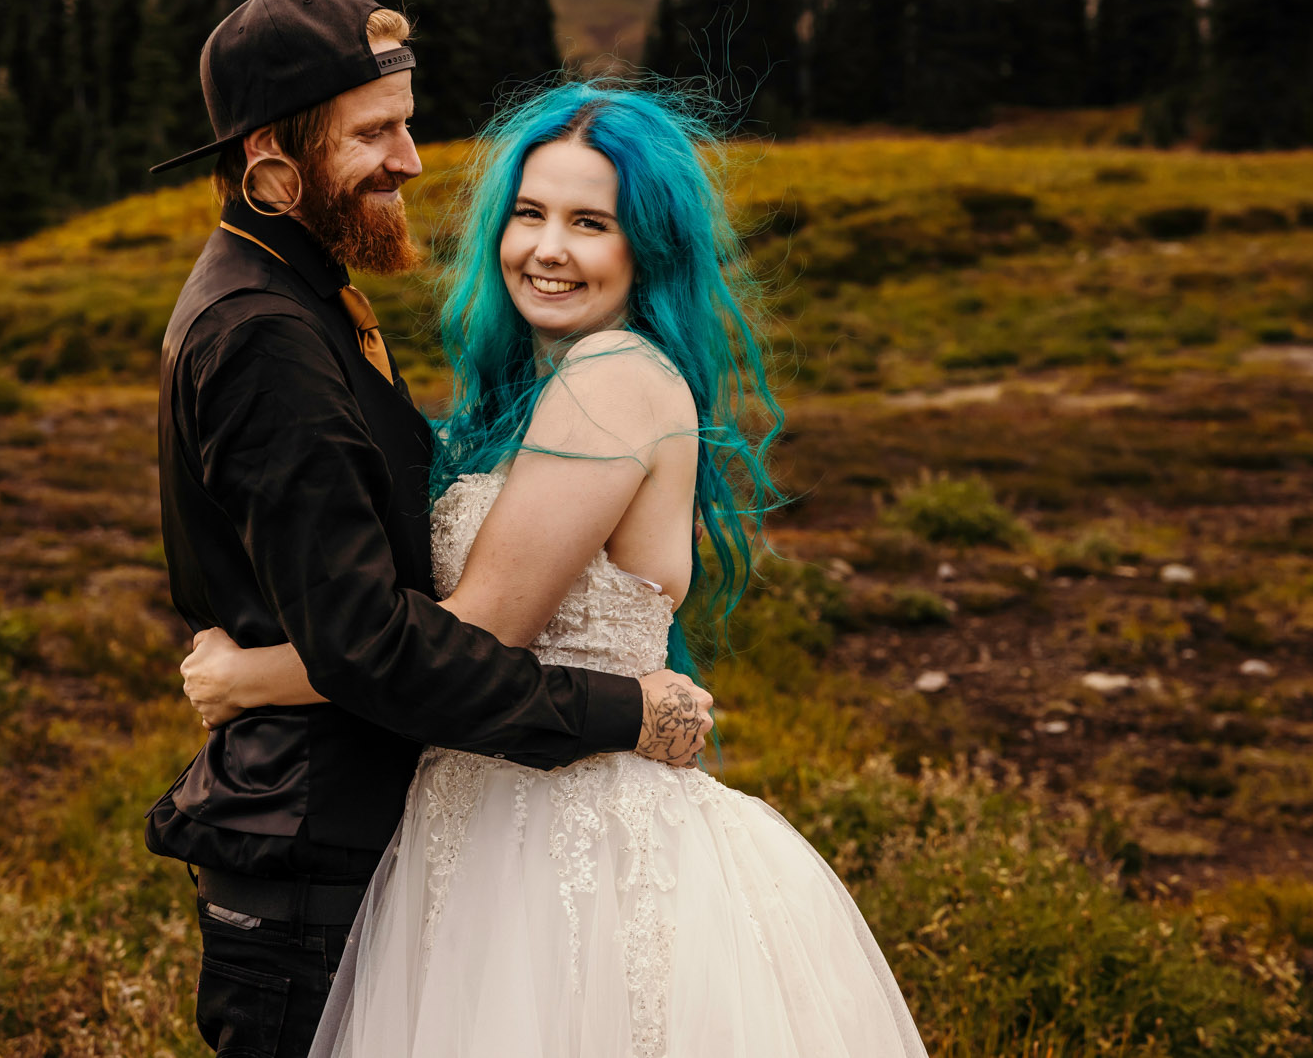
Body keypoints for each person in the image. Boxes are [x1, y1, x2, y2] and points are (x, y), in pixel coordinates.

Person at [181, 82, 931, 1057]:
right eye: (528, 213)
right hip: (496, 809)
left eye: (590, 222)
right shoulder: (554, 382)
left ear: (646, 248)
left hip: (561, 838)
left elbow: (476, 628)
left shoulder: (611, 381)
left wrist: (249, 674)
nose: (547, 247)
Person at [147, 0, 717, 1058]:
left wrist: (253, 674)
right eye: (374, 132)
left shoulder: (310, 295)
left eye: (405, 122)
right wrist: (621, 709)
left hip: (434, 834)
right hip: (313, 840)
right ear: (273, 155)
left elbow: (392, 621)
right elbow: (374, 642)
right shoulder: (267, 328)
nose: (410, 159)